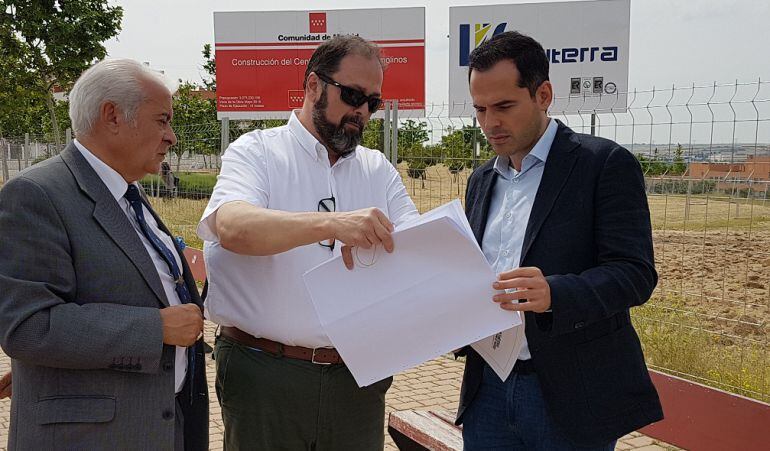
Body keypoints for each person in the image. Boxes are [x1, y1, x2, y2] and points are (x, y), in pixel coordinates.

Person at [197, 35, 418, 450]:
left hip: (356, 378)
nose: (362, 112)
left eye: (373, 102)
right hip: (265, 373)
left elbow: (415, 246)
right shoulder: (257, 152)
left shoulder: (377, 169)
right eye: (352, 95)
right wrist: (331, 224)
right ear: (313, 86)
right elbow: (232, 227)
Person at [457, 31, 663, 450]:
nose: (489, 123)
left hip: (569, 395)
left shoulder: (603, 164)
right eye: (479, 109)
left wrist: (555, 292)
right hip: (488, 389)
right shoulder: (481, 179)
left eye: (504, 106)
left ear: (544, 94)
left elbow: (635, 274)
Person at [0, 59, 208, 451]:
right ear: (113, 116)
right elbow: (25, 326)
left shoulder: (128, 193)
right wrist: (156, 327)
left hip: (161, 424)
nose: (172, 137)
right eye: (162, 120)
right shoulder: (36, 195)